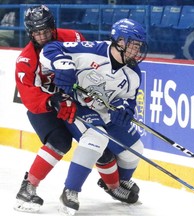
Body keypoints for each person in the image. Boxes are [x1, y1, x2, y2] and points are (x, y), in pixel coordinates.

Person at [14, 5, 123, 213]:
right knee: (59, 142)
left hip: (74, 101)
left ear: (52, 26)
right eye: (37, 32)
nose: (43, 36)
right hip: (44, 107)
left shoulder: (73, 37)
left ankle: (115, 187)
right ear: (30, 33)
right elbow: (27, 95)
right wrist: (51, 100)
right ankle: (27, 189)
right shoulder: (25, 60)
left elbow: (92, 65)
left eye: (46, 30)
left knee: (97, 142)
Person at [39, 18, 148, 215]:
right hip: (77, 105)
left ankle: (116, 184)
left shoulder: (133, 73)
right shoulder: (92, 50)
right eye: (133, 44)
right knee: (96, 137)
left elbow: (129, 100)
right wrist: (63, 65)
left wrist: (124, 109)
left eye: (139, 45)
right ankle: (70, 191)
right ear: (120, 41)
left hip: (105, 112)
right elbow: (50, 49)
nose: (137, 50)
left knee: (135, 149)